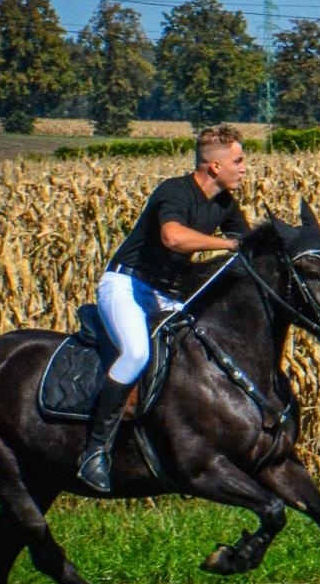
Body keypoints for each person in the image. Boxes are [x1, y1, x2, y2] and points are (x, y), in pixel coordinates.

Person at [76, 124, 251, 492]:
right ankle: (94, 452)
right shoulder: (174, 191)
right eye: (238, 160)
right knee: (137, 353)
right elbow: (173, 237)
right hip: (127, 285)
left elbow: (247, 243)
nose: (244, 167)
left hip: (165, 294)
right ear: (214, 167)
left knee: (196, 356)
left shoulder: (225, 204)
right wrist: (226, 243)